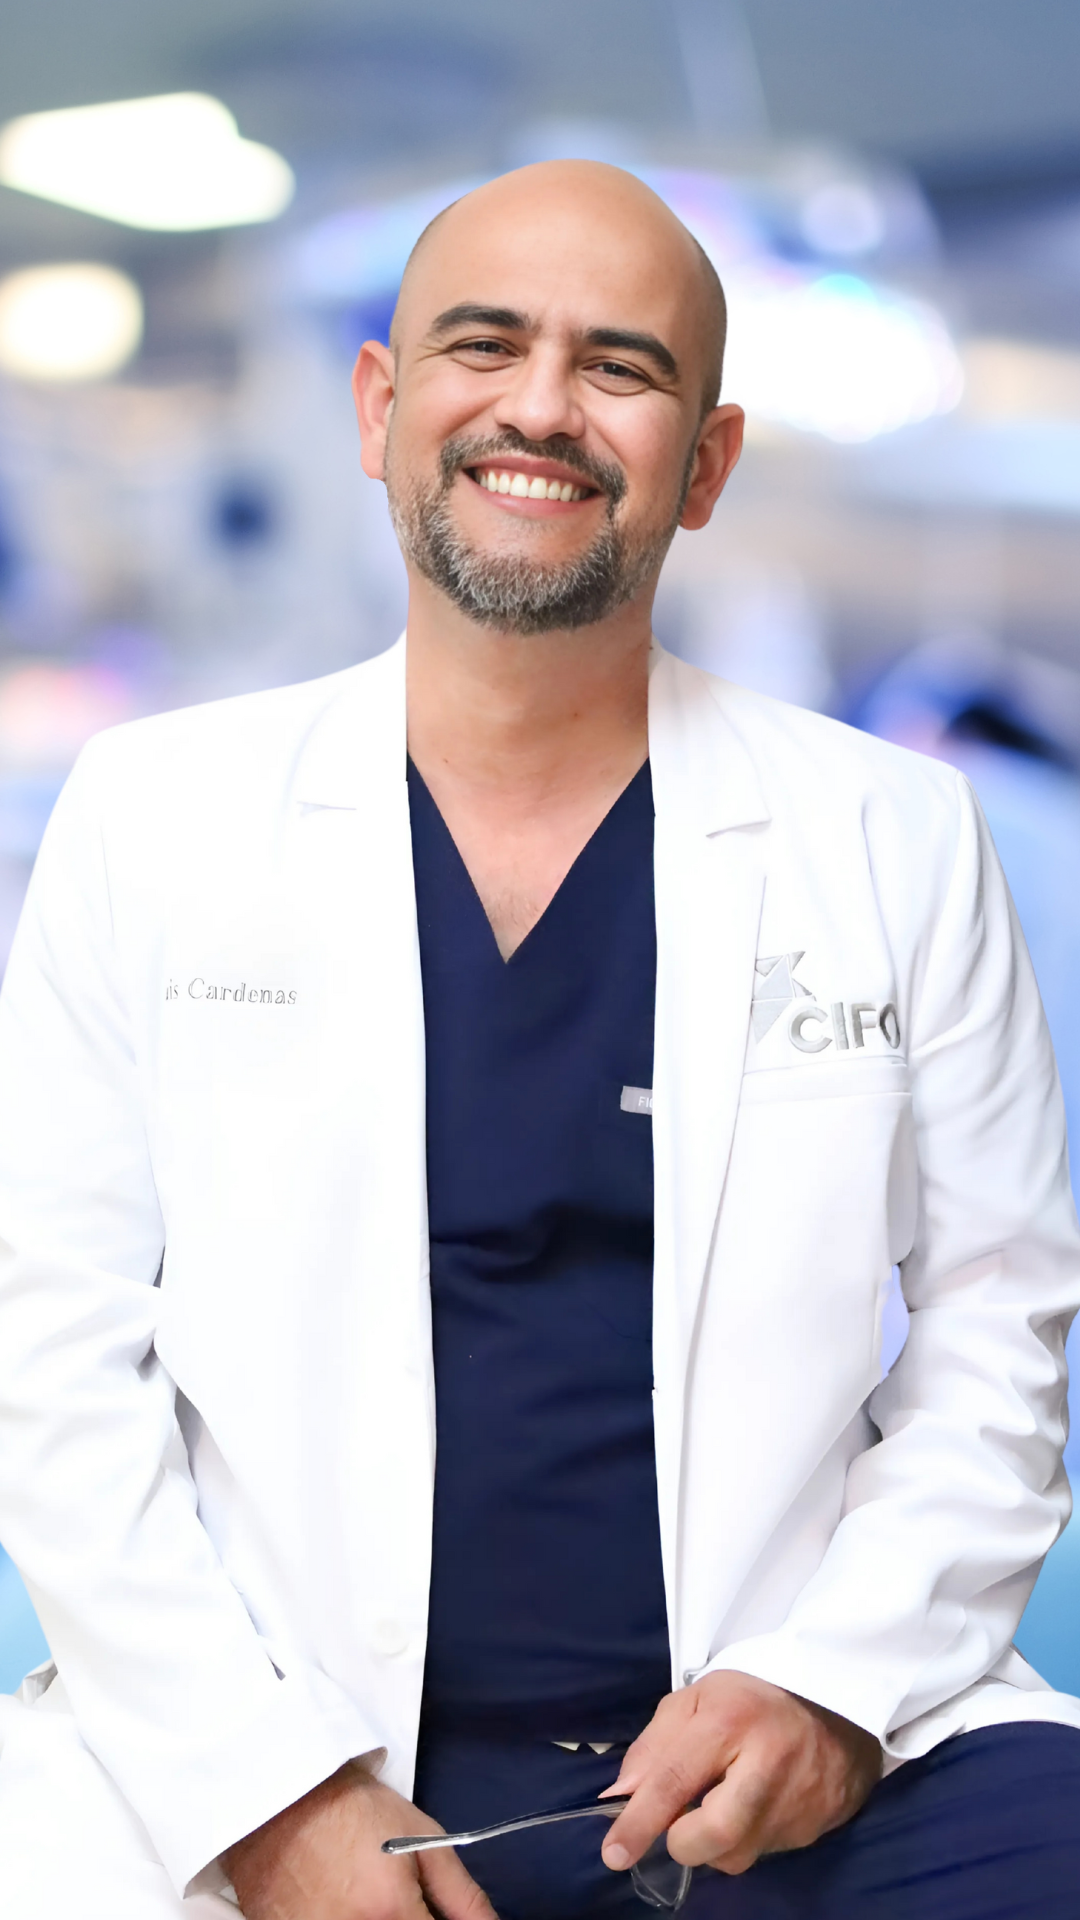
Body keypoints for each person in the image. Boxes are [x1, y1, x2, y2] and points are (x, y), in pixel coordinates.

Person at [0, 160, 1078, 1920]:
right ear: (380, 407)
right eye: (484, 345)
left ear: (706, 464)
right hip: (280, 1742)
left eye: (620, 366)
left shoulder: (895, 836)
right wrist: (263, 1798)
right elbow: (49, 1353)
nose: (542, 407)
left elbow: (997, 1329)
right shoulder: (153, 820)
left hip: (761, 1761)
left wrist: (830, 1689)